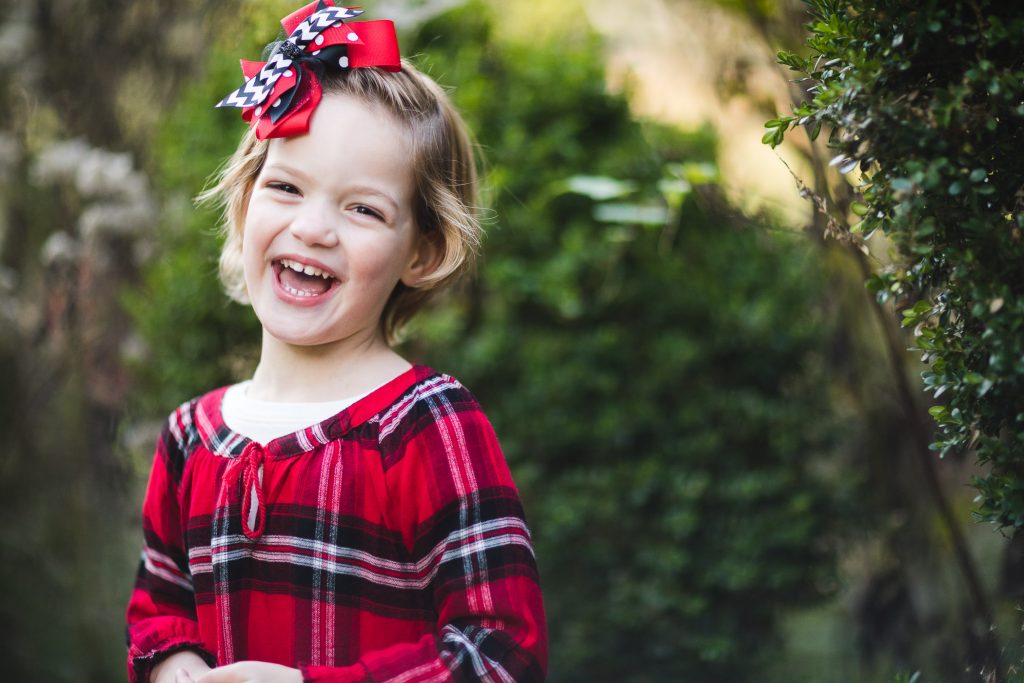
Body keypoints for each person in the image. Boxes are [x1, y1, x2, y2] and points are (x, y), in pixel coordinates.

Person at [124, 3, 548, 682]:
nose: (314, 228)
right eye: (286, 186)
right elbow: (158, 607)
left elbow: (501, 653)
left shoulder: (428, 425)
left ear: (423, 250)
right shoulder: (189, 437)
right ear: (244, 203)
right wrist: (173, 662)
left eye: (363, 209)